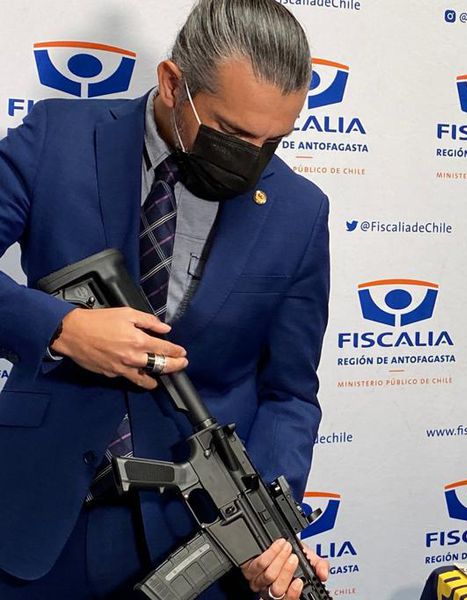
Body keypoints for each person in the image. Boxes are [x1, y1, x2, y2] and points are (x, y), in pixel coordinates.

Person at [0, 1, 330, 598]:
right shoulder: (56, 137)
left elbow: (289, 393)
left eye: (274, 141)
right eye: (233, 134)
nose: (253, 158)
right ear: (174, 83)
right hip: (37, 509)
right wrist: (62, 328)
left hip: (197, 531)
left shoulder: (300, 211)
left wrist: (272, 533)